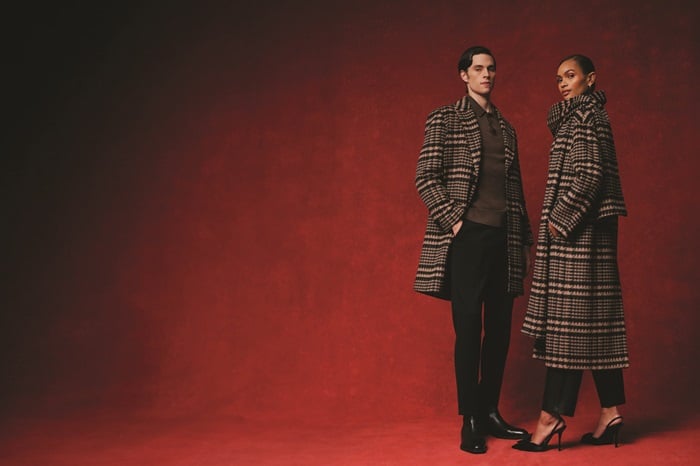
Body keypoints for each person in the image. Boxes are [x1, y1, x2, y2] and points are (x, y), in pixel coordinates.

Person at [414, 45, 533, 454]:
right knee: (468, 329)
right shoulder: (445, 118)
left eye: (491, 68)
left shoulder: (507, 128)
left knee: (499, 330)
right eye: (478, 68)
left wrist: (524, 240)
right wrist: (456, 223)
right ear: (463, 75)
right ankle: (469, 419)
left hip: (505, 239)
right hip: (468, 237)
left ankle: (489, 411)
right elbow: (426, 176)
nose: (487, 74)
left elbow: (515, 190)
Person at [513, 54, 629, 453]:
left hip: (579, 236)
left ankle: (550, 417)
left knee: (569, 326)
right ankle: (610, 411)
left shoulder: (582, 116)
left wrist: (560, 220)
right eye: (559, 78)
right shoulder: (587, 116)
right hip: (591, 234)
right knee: (593, 323)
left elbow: (590, 174)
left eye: (570, 75)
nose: (562, 83)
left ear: (590, 79)